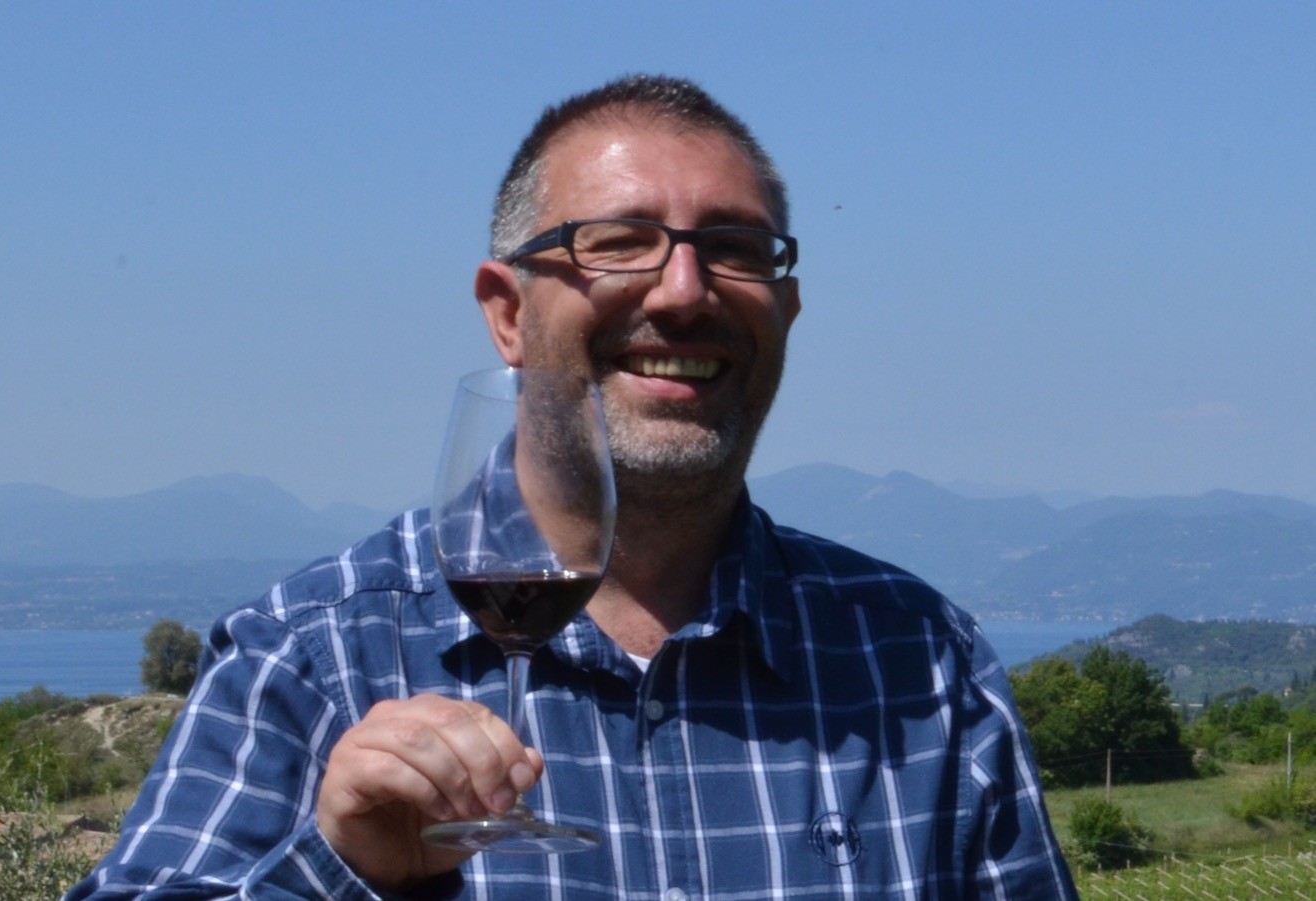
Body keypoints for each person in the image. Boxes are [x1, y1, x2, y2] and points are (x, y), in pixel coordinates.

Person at [67, 74, 1076, 899]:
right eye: (619, 241)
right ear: (507, 314)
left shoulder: (919, 662)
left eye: (733, 250)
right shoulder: (315, 655)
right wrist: (344, 874)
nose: (684, 291)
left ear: (787, 311)